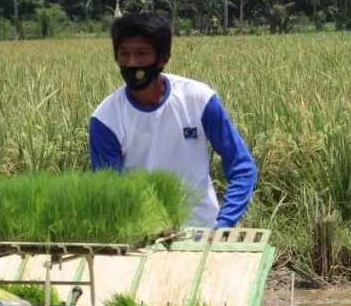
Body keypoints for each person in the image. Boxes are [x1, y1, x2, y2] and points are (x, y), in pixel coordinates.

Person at [88, 13, 257, 229]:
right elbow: (110, 192)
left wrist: (224, 223)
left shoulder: (198, 99)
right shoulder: (106, 119)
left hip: (203, 234)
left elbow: (242, 166)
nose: (132, 63)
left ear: (163, 58)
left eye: (141, 54)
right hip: (142, 240)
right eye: (124, 54)